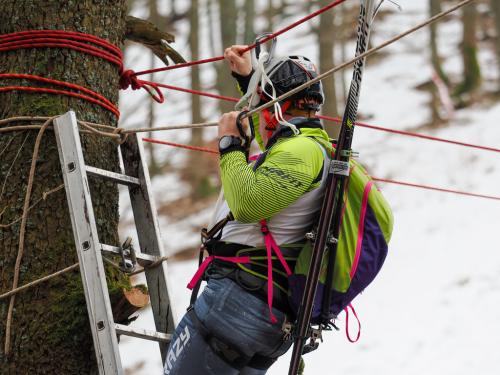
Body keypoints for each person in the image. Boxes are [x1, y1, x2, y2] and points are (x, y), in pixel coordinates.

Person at [163, 45, 331, 375]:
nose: (259, 115)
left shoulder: (302, 150)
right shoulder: (309, 146)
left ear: (277, 106)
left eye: (263, 104)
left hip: (240, 301)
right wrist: (248, 78)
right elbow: (272, 145)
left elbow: (247, 204)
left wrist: (231, 147)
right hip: (263, 315)